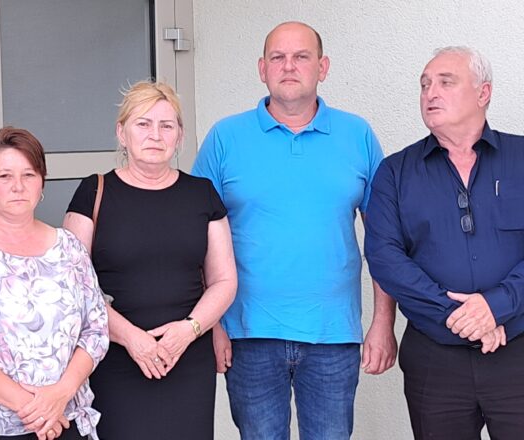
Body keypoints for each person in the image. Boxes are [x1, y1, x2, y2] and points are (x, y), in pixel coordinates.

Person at [192, 22, 397, 439]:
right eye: (278, 57)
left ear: (323, 67)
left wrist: (383, 322)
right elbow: (195, 239)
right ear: (261, 68)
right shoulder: (225, 138)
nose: (289, 66)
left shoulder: (357, 135)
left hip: (333, 336)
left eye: (301, 57)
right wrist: (211, 326)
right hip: (248, 334)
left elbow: (384, 239)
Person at [365, 46, 524, 439]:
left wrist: (496, 306)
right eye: (424, 85)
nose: (430, 93)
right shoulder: (395, 172)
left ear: (483, 93)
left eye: (445, 82)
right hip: (435, 359)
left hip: (518, 347)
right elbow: (384, 258)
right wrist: (465, 317)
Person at [64, 80, 237, 439]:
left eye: (166, 125)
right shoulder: (93, 192)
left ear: (179, 136)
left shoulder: (201, 194)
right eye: (143, 124)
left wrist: (188, 331)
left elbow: (223, 280)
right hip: (114, 356)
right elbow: (73, 287)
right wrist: (132, 339)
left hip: (188, 357)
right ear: (122, 132)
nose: (155, 135)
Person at [0, 127, 108, 440]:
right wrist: (37, 410)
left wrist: (60, 395)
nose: (18, 186)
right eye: (4, 176)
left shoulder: (69, 248)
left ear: (42, 181)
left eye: (29, 175)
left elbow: (95, 330)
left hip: (66, 419)